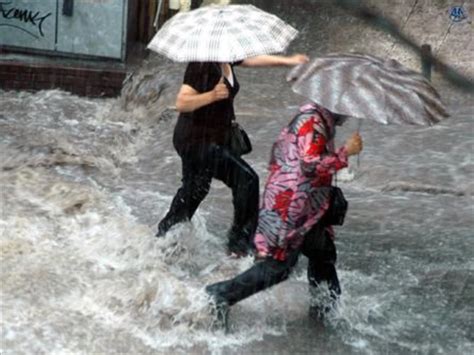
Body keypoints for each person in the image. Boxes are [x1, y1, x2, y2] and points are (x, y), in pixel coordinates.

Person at [205, 101, 363, 320]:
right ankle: (220, 295)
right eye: (348, 109)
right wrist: (345, 153)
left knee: (323, 255)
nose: (350, 114)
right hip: (291, 208)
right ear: (334, 104)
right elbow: (310, 164)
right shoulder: (312, 121)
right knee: (278, 267)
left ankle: (324, 313)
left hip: (307, 207)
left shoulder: (319, 121)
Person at [156, 55, 309, 256]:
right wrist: (212, 95)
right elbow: (182, 102)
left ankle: (164, 237)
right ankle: (239, 245)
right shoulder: (202, 64)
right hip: (197, 141)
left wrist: (288, 61)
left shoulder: (226, 57)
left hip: (207, 139)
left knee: (196, 189)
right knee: (247, 179)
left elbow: (251, 60)